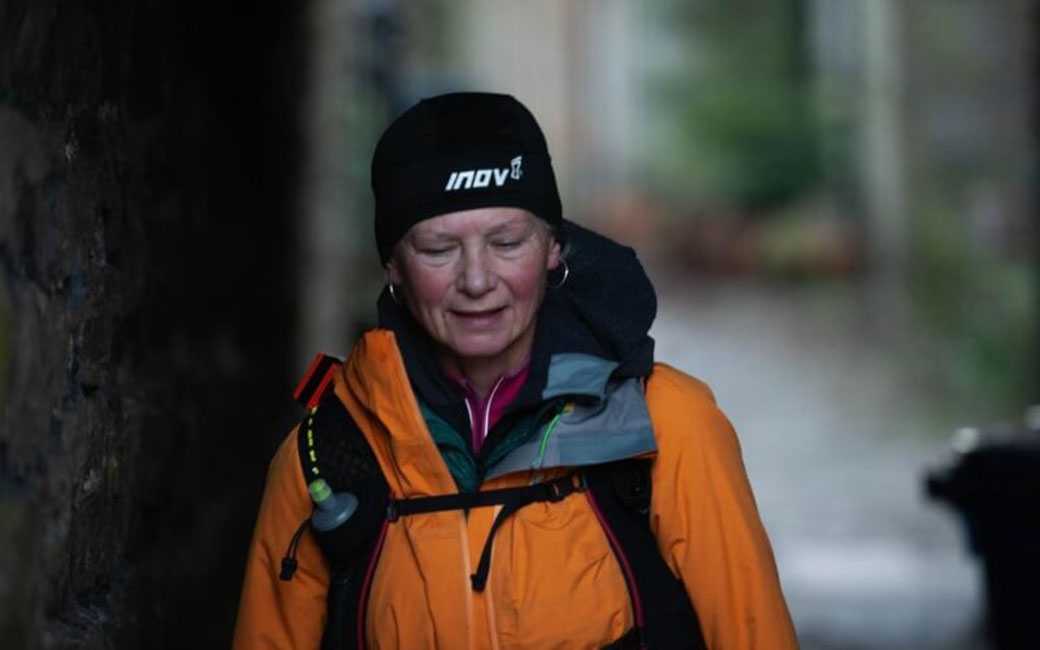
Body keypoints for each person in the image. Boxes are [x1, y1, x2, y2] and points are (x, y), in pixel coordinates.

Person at [232, 92, 798, 650]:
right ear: (393, 266)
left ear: (553, 248)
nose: (477, 281)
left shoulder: (667, 426)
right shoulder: (322, 458)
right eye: (438, 249)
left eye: (506, 242)